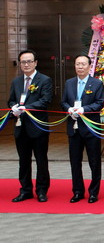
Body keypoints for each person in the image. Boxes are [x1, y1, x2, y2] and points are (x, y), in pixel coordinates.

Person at [8, 50, 53, 202]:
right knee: (23, 160)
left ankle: (41, 190)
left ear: (35, 63)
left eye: (29, 61)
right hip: (21, 127)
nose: (26, 64)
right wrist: (14, 107)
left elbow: (45, 100)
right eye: (23, 62)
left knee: (41, 159)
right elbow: (11, 100)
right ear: (20, 64)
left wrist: (26, 108)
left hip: (38, 127)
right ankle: (25, 190)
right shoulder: (16, 82)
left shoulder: (44, 80)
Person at [61, 54, 104, 203]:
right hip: (73, 128)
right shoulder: (69, 83)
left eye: (83, 64)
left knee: (94, 161)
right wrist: (69, 109)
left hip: (90, 128)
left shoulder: (97, 83)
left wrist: (84, 109)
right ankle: (78, 191)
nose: (80, 67)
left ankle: (94, 192)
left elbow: (99, 103)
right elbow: (63, 102)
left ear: (89, 66)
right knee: (75, 161)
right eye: (77, 64)